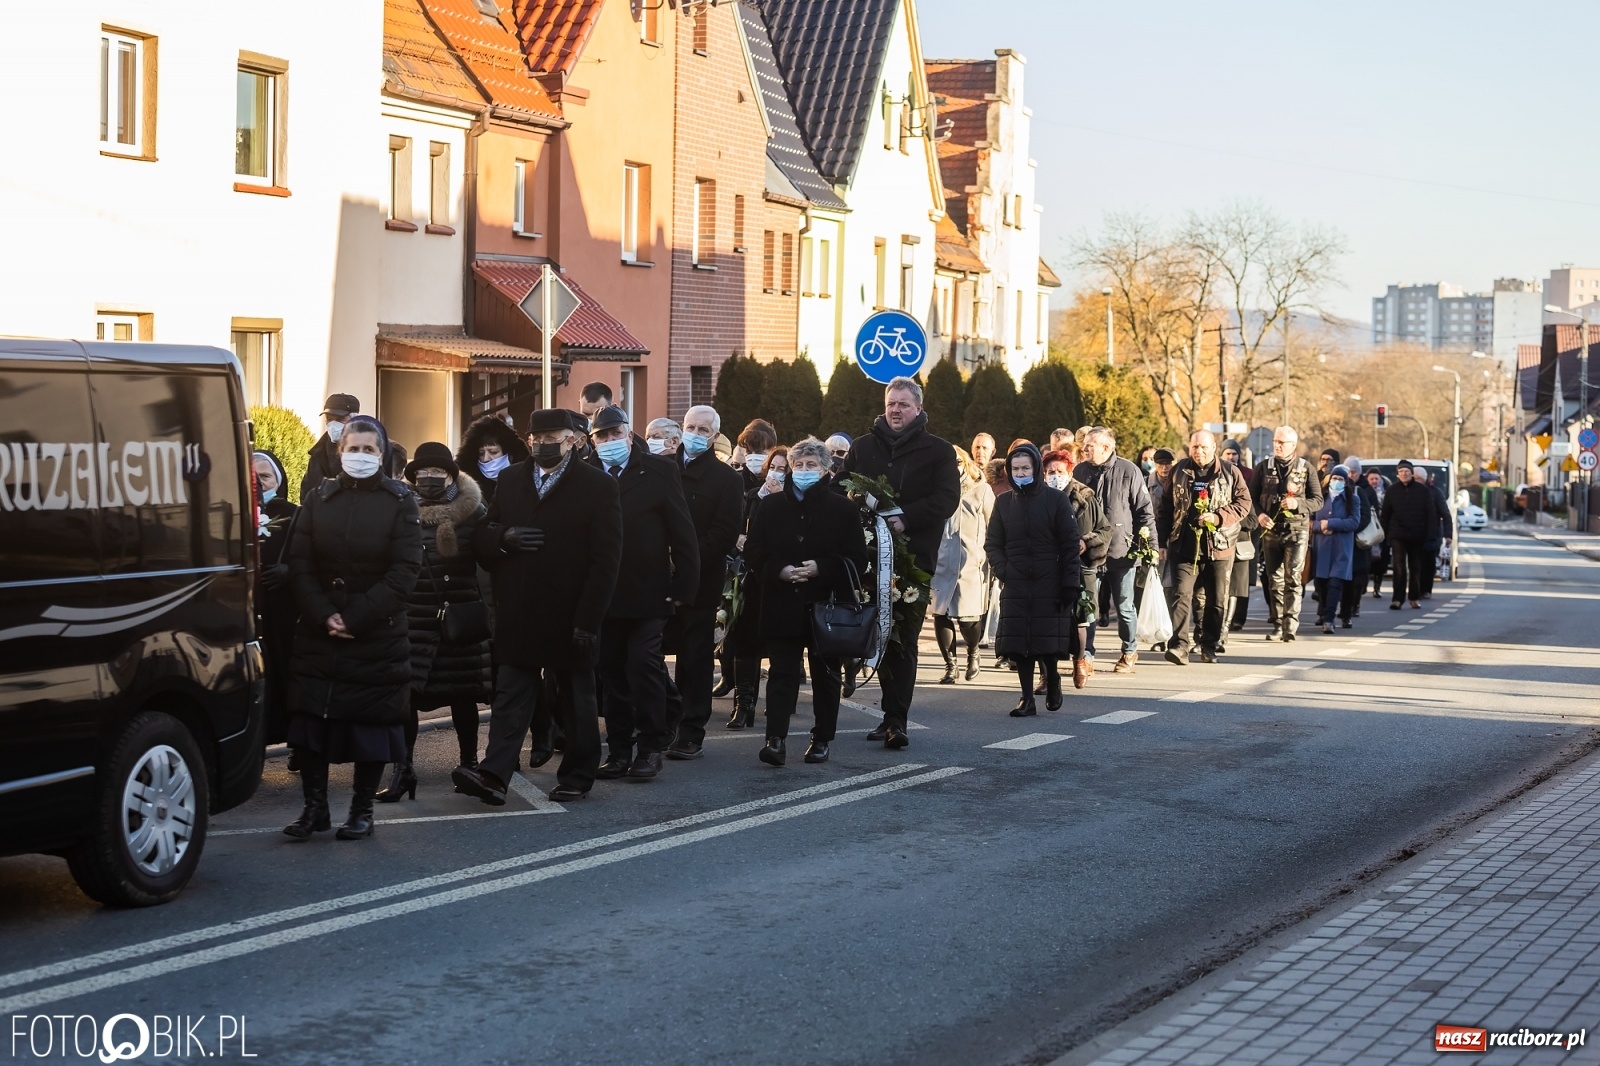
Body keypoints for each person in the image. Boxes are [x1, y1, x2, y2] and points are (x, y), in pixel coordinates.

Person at [453, 410, 622, 805]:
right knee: (511, 694)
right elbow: (484, 535)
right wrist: (504, 537)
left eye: (552, 436)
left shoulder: (597, 485)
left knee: (575, 697)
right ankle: (494, 775)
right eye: (536, 437)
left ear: (574, 440)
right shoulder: (511, 479)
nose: (542, 444)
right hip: (520, 609)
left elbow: (607, 559)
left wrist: (589, 619)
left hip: (571, 612)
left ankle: (578, 775)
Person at [283, 416, 421, 841]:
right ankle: (315, 809)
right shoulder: (318, 498)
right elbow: (299, 563)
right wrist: (325, 613)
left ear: (382, 454)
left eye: (368, 450)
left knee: (370, 724)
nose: (359, 456)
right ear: (338, 452)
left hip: (376, 631)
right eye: (352, 449)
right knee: (311, 725)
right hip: (319, 630)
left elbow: (405, 572)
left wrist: (357, 617)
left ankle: (361, 810)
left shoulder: (400, 501)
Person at [837, 377, 960, 749]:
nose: (895, 410)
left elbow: (947, 499)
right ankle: (881, 710)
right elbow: (844, 489)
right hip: (868, 558)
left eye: (904, 405)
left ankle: (896, 719)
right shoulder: (862, 447)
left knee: (902, 639)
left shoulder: (938, 451)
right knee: (874, 632)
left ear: (918, 409)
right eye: (891, 404)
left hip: (912, 562)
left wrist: (908, 516)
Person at [588, 404, 699, 781]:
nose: (609, 441)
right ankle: (619, 750)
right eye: (601, 436)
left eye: (615, 434)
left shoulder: (659, 470)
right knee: (612, 673)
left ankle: (651, 747)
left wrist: (684, 588)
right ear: (592, 440)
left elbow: (683, 534)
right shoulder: (587, 474)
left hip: (650, 592)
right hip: (603, 594)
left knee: (644, 665)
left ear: (629, 434)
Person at [376, 443, 491, 802]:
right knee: (406, 698)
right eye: (422, 474)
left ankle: (469, 763)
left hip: (458, 620)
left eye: (437, 473)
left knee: (464, 696)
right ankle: (403, 770)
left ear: (451, 476)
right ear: (412, 478)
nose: (429, 479)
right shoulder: (400, 512)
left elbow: (488, 558)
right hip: (414, 620)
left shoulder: (474, 513)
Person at [743, 438, 869, 765]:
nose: (803, 471)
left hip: (826, 604)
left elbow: (858, 558)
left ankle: (822, 737)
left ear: (826, 470)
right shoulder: (771, 506)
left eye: (810, 465)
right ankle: (775, 739)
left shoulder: (843, 508)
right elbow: (755, 551)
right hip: (781, 602)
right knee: (782, 673)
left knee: (826, 675)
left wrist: (822, 568)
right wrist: (779, 571)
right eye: (798, 465)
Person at [663, 405, 744, 760]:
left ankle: (691, 730)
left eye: (703, 429)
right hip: (655, 578)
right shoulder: (661, 468)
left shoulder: (727, 479)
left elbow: (724, 533)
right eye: (690, 427)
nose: (695, 434)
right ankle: (663, 720)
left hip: (699, 580)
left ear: (714, 436)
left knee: (694, 658)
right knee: (649, 653)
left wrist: (686, 561)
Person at [985, 443, 1081, 715]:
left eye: (1026, 468)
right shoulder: (1004, 503)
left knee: (1046, 641)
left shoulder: (1055, 500)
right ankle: (1026, 698)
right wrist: (1004, 569)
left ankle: (1053, 680)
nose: (1021, 473)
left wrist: (1069, 584)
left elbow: (1069, 545)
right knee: (1019, 643)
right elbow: (993, 543)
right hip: (1016, 582)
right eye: (1015, 469)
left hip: (1049, 582)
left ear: (1036, 468)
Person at [1159, 430, 1251, 665]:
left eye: (1203, 447)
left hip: (1219, 545)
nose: (1198, 452)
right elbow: (1166, 507)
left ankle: (1208, 644)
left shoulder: (1230, 472)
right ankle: (1179, 645)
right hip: (1184, 545)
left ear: (1214, 448)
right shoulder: (1179, 470)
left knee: (1215, 599)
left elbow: (1244, 504)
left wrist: (1218, 517)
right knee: (1181, 594)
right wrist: (1161, 542)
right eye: (1194, 447)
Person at [1074, 427, 1156, 674]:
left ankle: (1129, 650)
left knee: (1124, 605)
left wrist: (1150, 546)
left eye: (1090, 446)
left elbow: (1144, 511)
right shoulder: (1080, 471)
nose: (1085, 449)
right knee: (1087, 604)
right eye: (1085, 445)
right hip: (1088, 549)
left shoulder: (1129, 470)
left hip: (1121, 549)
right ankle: (1086, 655)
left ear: (1106, 448)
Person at [726, 446, 789, 728]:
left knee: (780, 645)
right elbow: (736, 524)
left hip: (781, 577)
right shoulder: (754, 495)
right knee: (745, 640)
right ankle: (744, 704)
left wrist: (779, 499)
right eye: (773, 467)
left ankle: (780, 704)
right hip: (752, 575)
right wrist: (739, 536)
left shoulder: (792, 500)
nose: (776, 473)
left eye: (783, 468)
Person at [1044, 449, 1109, 689]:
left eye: (1060, 471)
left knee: (1081, 617)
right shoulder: (1040, 496)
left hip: (1080, 567)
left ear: (1070, 471)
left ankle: (1080, 660)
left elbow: (1105, 529)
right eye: (1051, 472)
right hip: (1049, 568)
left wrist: (1086, 541)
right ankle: (1047, 674)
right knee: (1047, 621)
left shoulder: (1085, 497)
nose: (1055, 476)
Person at [1252, 426, 1323, 642]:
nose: (1277, 445)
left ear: (1293, 445)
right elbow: (1251, 497)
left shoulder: (1306, 468)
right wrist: (1260, 515)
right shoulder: (1263, 467)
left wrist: (1297, 503)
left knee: (1292, 576)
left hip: (1297, 530)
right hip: (1271, 529)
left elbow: (1317, 500)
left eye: (1282, 442)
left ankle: (1290, 625)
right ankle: (1277, 623)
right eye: (1275, 441)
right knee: (1274, 578)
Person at [930, 447, 994, 684]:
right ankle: (950, 665)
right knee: (941, 613)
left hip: (971, 563)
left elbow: (994, 524)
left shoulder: (981, 490)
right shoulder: (935, 489)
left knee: (968, 618)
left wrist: (991, 556)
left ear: (965, 462)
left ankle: (973, 651)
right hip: (941, 561)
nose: (953, 466)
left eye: (957, 461)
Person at [253, 451, 299, 756]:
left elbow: (314, 556)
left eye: (265, 476)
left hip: (284, 612)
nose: (258, 482)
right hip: (246, 609)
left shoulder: (295, 514)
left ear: (278, 481)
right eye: (252, 476)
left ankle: (298, 740)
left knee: (288, 675)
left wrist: (291, 571)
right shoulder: (228, 511)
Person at [1310, 464, 1363, 634]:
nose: (1337, 482)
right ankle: (1324, 613)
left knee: (1335, 584)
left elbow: (1354, 522)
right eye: (1334, 478)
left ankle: (1329, 619)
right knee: (1321, 585)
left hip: (1341, 548)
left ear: (1346, 482)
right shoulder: (1320, 498)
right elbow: (1309, 521)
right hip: (1321, 548)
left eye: (1341, 479)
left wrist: (1331, 523)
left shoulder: (1352, 499)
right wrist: (1320, 526)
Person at [1380, 459, 1438, 610]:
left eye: (1407, 471)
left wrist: (1431, 534)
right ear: (1397, 474)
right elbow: (1385, 514)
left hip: (1418, 535)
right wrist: (1383, 534)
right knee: (1399, 567)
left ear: (1412, 474)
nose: (1404, 474)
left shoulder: (1422, 490)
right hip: (1397, 534)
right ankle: (1397, 599)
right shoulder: (1392, 490)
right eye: (1401, 472)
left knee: (1415, 567)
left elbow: (1431, 513)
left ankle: (1414, 596)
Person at [1219, 439, 1257, 636]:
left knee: (1235, 588)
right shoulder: (1214, 493)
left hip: (1239, 545)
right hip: (1218, 545)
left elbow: (1252, 522)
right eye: (1227, 454)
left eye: (1234, 454)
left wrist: (1230, 518)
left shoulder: (1245, 497)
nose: (1231, 457)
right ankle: (1216, 627)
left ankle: (1227, 627)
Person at [456, 414, 529, 508]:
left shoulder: (527, 483)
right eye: (481, 453)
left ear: (509, 454)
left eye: (493, 452)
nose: (486, 458)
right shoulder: (463, 487)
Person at [1339, 457, 1378, 626]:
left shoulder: (1363, 490)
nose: (1350, 475)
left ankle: (1354, 604)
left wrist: (1353, 527)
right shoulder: (1337, 488)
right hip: (1341, 539)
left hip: (1358, 539)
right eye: (1348, 471)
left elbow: (1368, 515)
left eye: (1353, 472)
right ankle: (1341, 607)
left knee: (1357, 576)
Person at [299, 393, 360, 499]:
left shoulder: (366, 453)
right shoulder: (317, 454)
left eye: (340, 420)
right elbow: (306, 493)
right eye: (329, 419)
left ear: (354, 420)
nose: (333, 425)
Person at [1366, 468, 1391, 599]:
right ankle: (1364, 585)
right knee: (1366, 559)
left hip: (1382, 530)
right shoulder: (1363, 491)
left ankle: (1377, 587)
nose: (1374, 481)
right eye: (1372, 479)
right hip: (1366, 529)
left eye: (1377, 479)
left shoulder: (1387, 492)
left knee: (1381, 559)